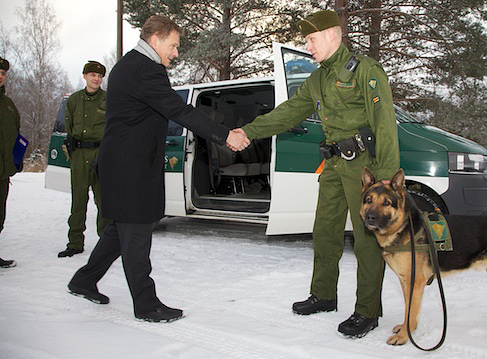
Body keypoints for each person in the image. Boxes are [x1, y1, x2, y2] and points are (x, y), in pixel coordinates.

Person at [67, 15, 250, 322]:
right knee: (136, 232)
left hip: (126, 163)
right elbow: (178, 109)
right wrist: (226, 135)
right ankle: (146, 304)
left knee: (120, 230)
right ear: (155, 40)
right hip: (129, 167)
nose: (176, 53)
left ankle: (84, 280)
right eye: (174, 45)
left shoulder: (132, 65)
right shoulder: (145, 69)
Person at [239, 10, 399, 338]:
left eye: (311, 39)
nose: (308, 46)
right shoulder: (318, 78)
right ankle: (324, 295)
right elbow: (288, 113)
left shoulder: (365, 70)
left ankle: (367, 310)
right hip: (334, 165)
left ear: (331, 35)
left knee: (368, 238)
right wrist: (248, 131)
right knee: (324, 231)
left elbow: (385, 123)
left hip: (364, 170)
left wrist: (384, 179)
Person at [58, 61, 112, 258]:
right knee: (78, 199)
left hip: (101, 153)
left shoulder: (109, 99)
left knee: (103, 200)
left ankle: (106, 243)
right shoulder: (73, 100)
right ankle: (74, 243)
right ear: (85, 76)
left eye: (99, 76)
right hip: (79, 154)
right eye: (92, 75)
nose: (96, 79)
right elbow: (69, 126)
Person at [0, 57, 20, 269]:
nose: (0, 76)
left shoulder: (8, 105)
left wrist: (16, 159)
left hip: (3, 172)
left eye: (3, 73)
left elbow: (15, 134)